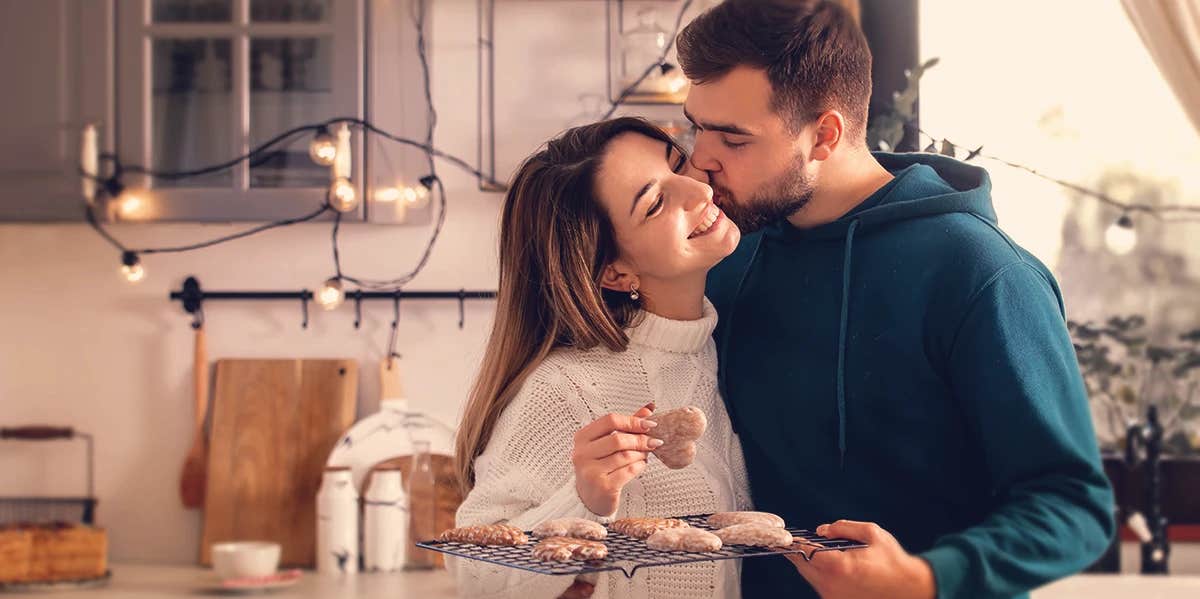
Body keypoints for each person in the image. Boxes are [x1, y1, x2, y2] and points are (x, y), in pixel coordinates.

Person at [674, 1, 1116, 598]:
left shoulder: (981, 273)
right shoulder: (732, 254)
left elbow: (1072, 505)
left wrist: (925, 578)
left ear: (825, 134)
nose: (701, 158)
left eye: (733, 138)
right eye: (697, 126)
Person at [451, 117, 751, 598]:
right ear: (614, 271)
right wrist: (585, 498)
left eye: (679, 163)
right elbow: (474, 577)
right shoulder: (566, 388)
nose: (697, 193)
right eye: (655, 204)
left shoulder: (717, 350)